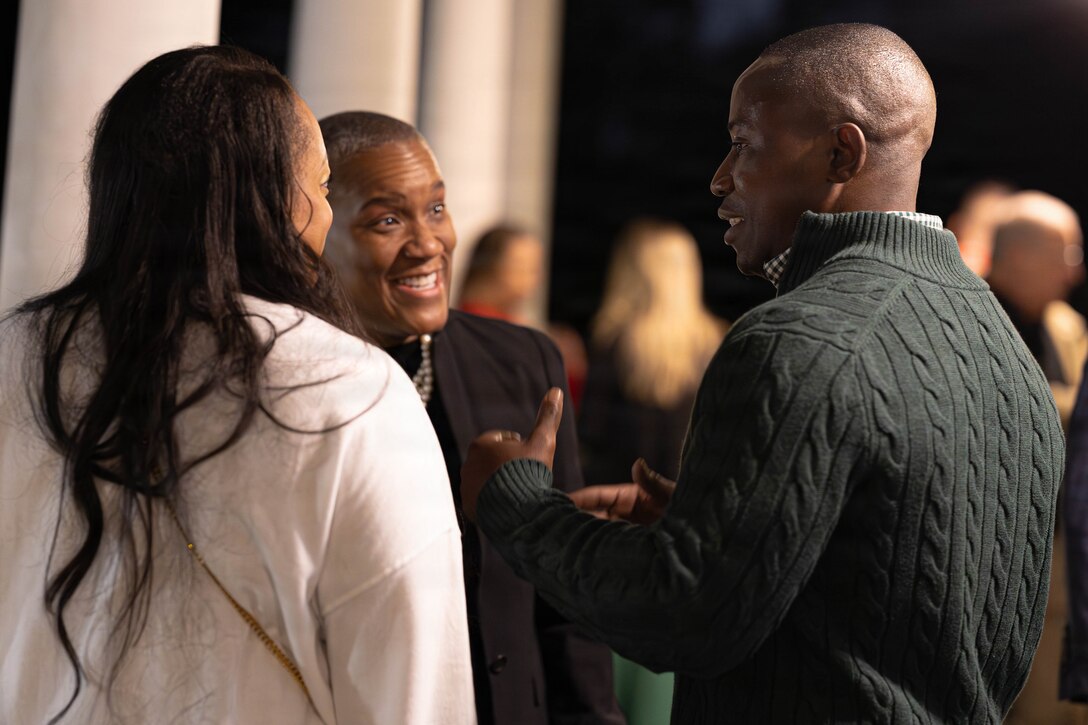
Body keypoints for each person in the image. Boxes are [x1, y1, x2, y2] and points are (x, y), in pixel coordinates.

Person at [459, 23, 1064, 724]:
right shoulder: (1006, 351)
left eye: (745, 142)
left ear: (843, 151)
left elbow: (681, 613)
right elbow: (907, 613)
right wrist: (734, 529)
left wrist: (515, 502)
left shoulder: (794, 337)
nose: (720, 176)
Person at [0, 47, 474, 724]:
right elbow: (416, 688)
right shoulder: (352, 391)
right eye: (320, 183)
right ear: (276, 200)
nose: (325, 211)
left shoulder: (15, 356)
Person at [318, 111, 624, 725]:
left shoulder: (523, 361)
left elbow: (561, 606)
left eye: (436, 209)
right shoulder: (291, 387)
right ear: (316, 234)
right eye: (386, 219)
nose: (429, 243)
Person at [580, 218, 727, 485]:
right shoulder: (716, 341)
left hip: (624, 495)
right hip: (693, 495)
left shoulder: (613, 340)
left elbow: (593, 431)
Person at [985, 191, 1086, 427]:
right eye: (1067, 257)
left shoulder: (1067, 326)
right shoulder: (962, 321)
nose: (1073, 275)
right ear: (1020, 257)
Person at [458, 224, 545, 325]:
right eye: (522, 267)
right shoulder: (479, 322)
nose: (536, 279)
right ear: (490, 269)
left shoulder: (510, 323)